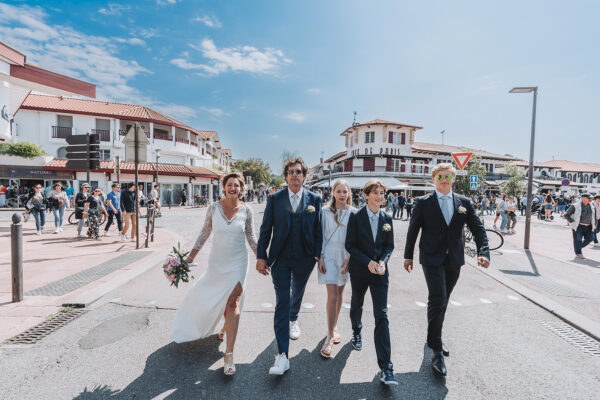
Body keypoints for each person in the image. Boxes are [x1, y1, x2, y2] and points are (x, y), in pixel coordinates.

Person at [404, 163, 490, 376]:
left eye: (448, 177)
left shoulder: (464, 202)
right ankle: (436, 350)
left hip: (454, 259)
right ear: (434, 179)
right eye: (440, 176)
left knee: (442, 301)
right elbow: (413, 230)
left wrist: (484, 252)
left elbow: (478, 229)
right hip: (431, 258)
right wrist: (408, 255)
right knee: (438, 298)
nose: (444, 180)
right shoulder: (423, 202)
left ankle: (433, 337)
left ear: (453, 179)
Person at [171, 172, 257, 376]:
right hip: (217, 263)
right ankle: (221, 324)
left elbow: (251, 236)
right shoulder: (214, 208)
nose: (233, 188)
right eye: (229, 185)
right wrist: (191, 256)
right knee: (209, 296)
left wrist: (260, 256)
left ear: (241, 188)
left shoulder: (247, 210)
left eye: (236, 185)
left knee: (233, 302)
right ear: (224, 187)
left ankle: (229, 354)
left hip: (238, 262)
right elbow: (204, 232)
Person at [256, 157, 323, 376]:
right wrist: (261, 256)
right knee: (282, 302)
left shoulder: (315, 198)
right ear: (286, 176)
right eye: (291, 172)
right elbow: (266, 229)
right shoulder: (275, 199)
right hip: (281, 259)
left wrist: (318, 255)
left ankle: (294, 317)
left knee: (298, 292)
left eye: (298, 172)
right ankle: (282, 355)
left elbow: (318, 230)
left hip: (305, 258)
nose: (295, 175)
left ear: (305, 176)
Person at [345, 180, 397, 385]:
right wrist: (367, 262)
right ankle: (356, 332)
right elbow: (350, 245)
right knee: (357, 302)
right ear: (366, 195)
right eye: (375, 193)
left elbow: (389, 246)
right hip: (359, 270)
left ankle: (386, 367)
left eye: (382, 193)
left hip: (380, 274)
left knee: (381, 314)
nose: (379, 196)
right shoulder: (356, 217)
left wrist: (382, 262)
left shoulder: (387, 218)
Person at [317, 180, 356, 359]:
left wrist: (351, 257)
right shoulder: (324, 212)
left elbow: (356, 239)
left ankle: (334, 325)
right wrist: (321, 257)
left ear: (349, 194)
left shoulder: (354, 213)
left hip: (345, 256)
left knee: (340, 294)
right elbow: (321, 235)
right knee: (332, 295)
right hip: (329, 255)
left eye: (344, 191)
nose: (342, 194)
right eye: (338, 191)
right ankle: (329, 336)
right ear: (333, 193)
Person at [564, 193, 596, 259]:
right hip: (579, 226)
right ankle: (578, 253)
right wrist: (572, 223)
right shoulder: (575, 206)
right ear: (583, 198)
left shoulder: (592, 205)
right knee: (578, 240)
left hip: (589, 226)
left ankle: (578, 248)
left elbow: (593, 216)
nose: (590, 199)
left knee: (591, 238)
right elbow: (566, 214)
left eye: (591, 198)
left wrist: (594, 224)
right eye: (589, 198)